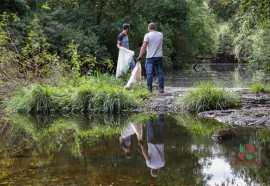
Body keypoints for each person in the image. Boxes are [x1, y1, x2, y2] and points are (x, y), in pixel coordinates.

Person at [137, 23, 164, 93]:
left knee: (149, 73)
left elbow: (144, 46)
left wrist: (140, 56)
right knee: (160, 72)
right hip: (159, 57)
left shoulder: (147, 35)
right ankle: (161, 88)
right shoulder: (160, 34)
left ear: (148, 28)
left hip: (150, 58)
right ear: (156, 28)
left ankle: (149, 90)